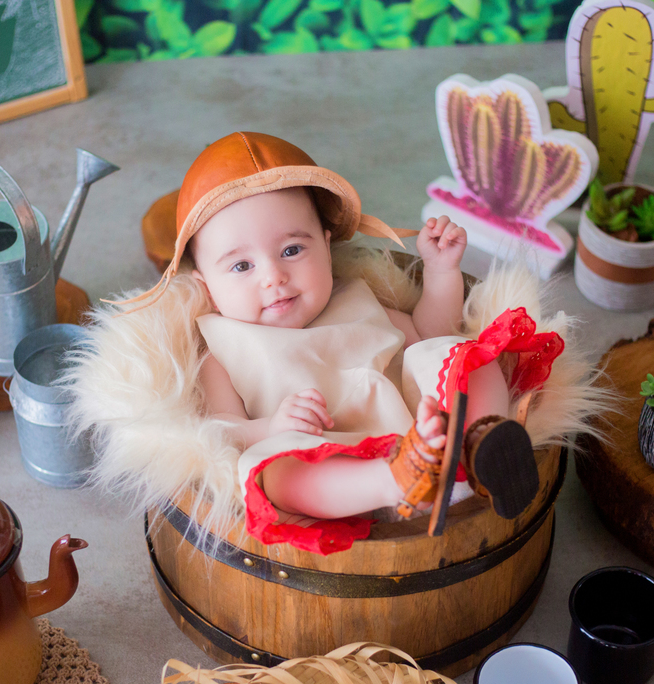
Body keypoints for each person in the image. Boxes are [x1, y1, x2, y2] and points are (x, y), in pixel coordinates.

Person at [95, 132, 564, 554]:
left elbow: (429, 333)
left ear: (325, 243)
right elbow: (220, 431)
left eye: (292, 250)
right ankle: (395, 480)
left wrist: (441, 272)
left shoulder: (354, 298)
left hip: (428, 432)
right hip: (333, 459)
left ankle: (484, 445)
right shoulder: (220, 348)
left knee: (460, 354)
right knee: (270, 472)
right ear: (206, 284)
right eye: (242, 267)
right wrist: (271, 427)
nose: (274, 277)